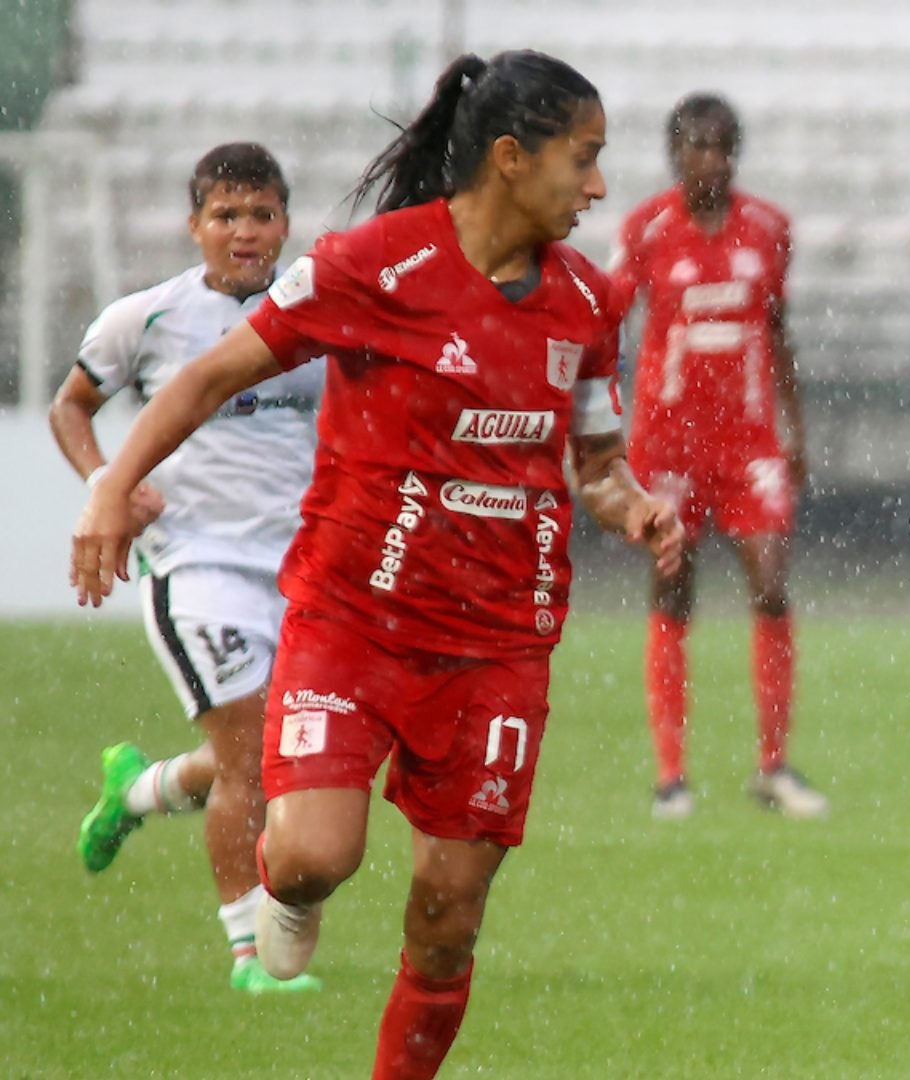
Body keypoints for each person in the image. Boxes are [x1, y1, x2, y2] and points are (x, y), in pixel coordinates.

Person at [70, 50, 683, 1079]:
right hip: (353, 621)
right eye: (584, 159)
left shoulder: (587, 301)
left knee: (447, 922)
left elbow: (596, 463)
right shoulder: (372, 267)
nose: (598, 186)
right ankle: (282, 885)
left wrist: (634, 508)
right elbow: (210, 376)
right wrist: (107, 487)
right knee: (314, 859)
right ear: (508, 157)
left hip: (497, 645)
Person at [51, 142, 323, 995]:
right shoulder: (148, 318)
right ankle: (253, 957)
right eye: (226, 216)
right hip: (197, 563)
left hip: (302, 569)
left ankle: (142, 790)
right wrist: (108, 486)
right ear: (195, 225)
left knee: (287, 752)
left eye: (262, 214)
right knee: (253, 761)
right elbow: (72, 404)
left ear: (285, 222)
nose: (245, 232)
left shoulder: (315, 312)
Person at [608, 92, 825, 821]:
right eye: (698, 146)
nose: (712, 160)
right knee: (673, 589)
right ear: (675, 153)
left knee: (769, 582)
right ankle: (672, 774)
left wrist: (795, 431)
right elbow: (608, 325)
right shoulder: (646, 229)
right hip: (668, 442)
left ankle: (774, 766)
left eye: (723, 146)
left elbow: (778, 331)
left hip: (749, 440)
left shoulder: (769, 230)